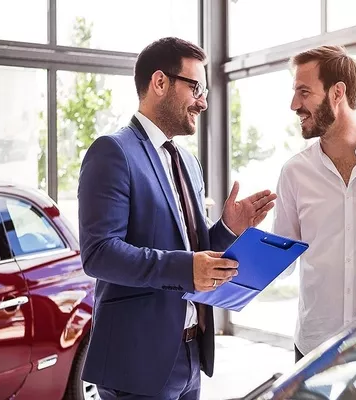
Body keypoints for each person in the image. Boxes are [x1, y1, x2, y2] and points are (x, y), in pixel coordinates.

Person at [77, 37, 277, 400]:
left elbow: (193, 254)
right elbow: (99, 253)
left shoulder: (187, 162)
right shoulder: (112, 151)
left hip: (189, 354)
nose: (202, 102)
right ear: (159, 83)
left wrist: (230, 228)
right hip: (136, 362)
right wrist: (185, 269)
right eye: (195, 87)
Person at [272, 45, 356, 363]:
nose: (294, 105)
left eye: (304, 92)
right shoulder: (294, 172)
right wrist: (241, 237)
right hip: (313, 345)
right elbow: (282, 262)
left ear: (336, 92)